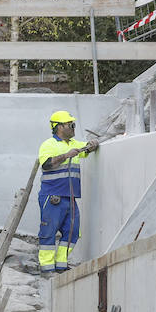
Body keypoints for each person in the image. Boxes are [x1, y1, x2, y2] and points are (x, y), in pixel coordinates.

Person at [37, 111, 100, 273]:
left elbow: (86, 148)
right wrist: (65, 155)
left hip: (70, 197)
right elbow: (46, 165)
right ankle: (47, 268)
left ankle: (61, 265)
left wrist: (92, 145)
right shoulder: (49, 144)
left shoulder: (74, 143)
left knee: (72, 232)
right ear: (59, 127)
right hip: (52, 196)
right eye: (69, 124)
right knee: (48, 232)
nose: (73, 127)